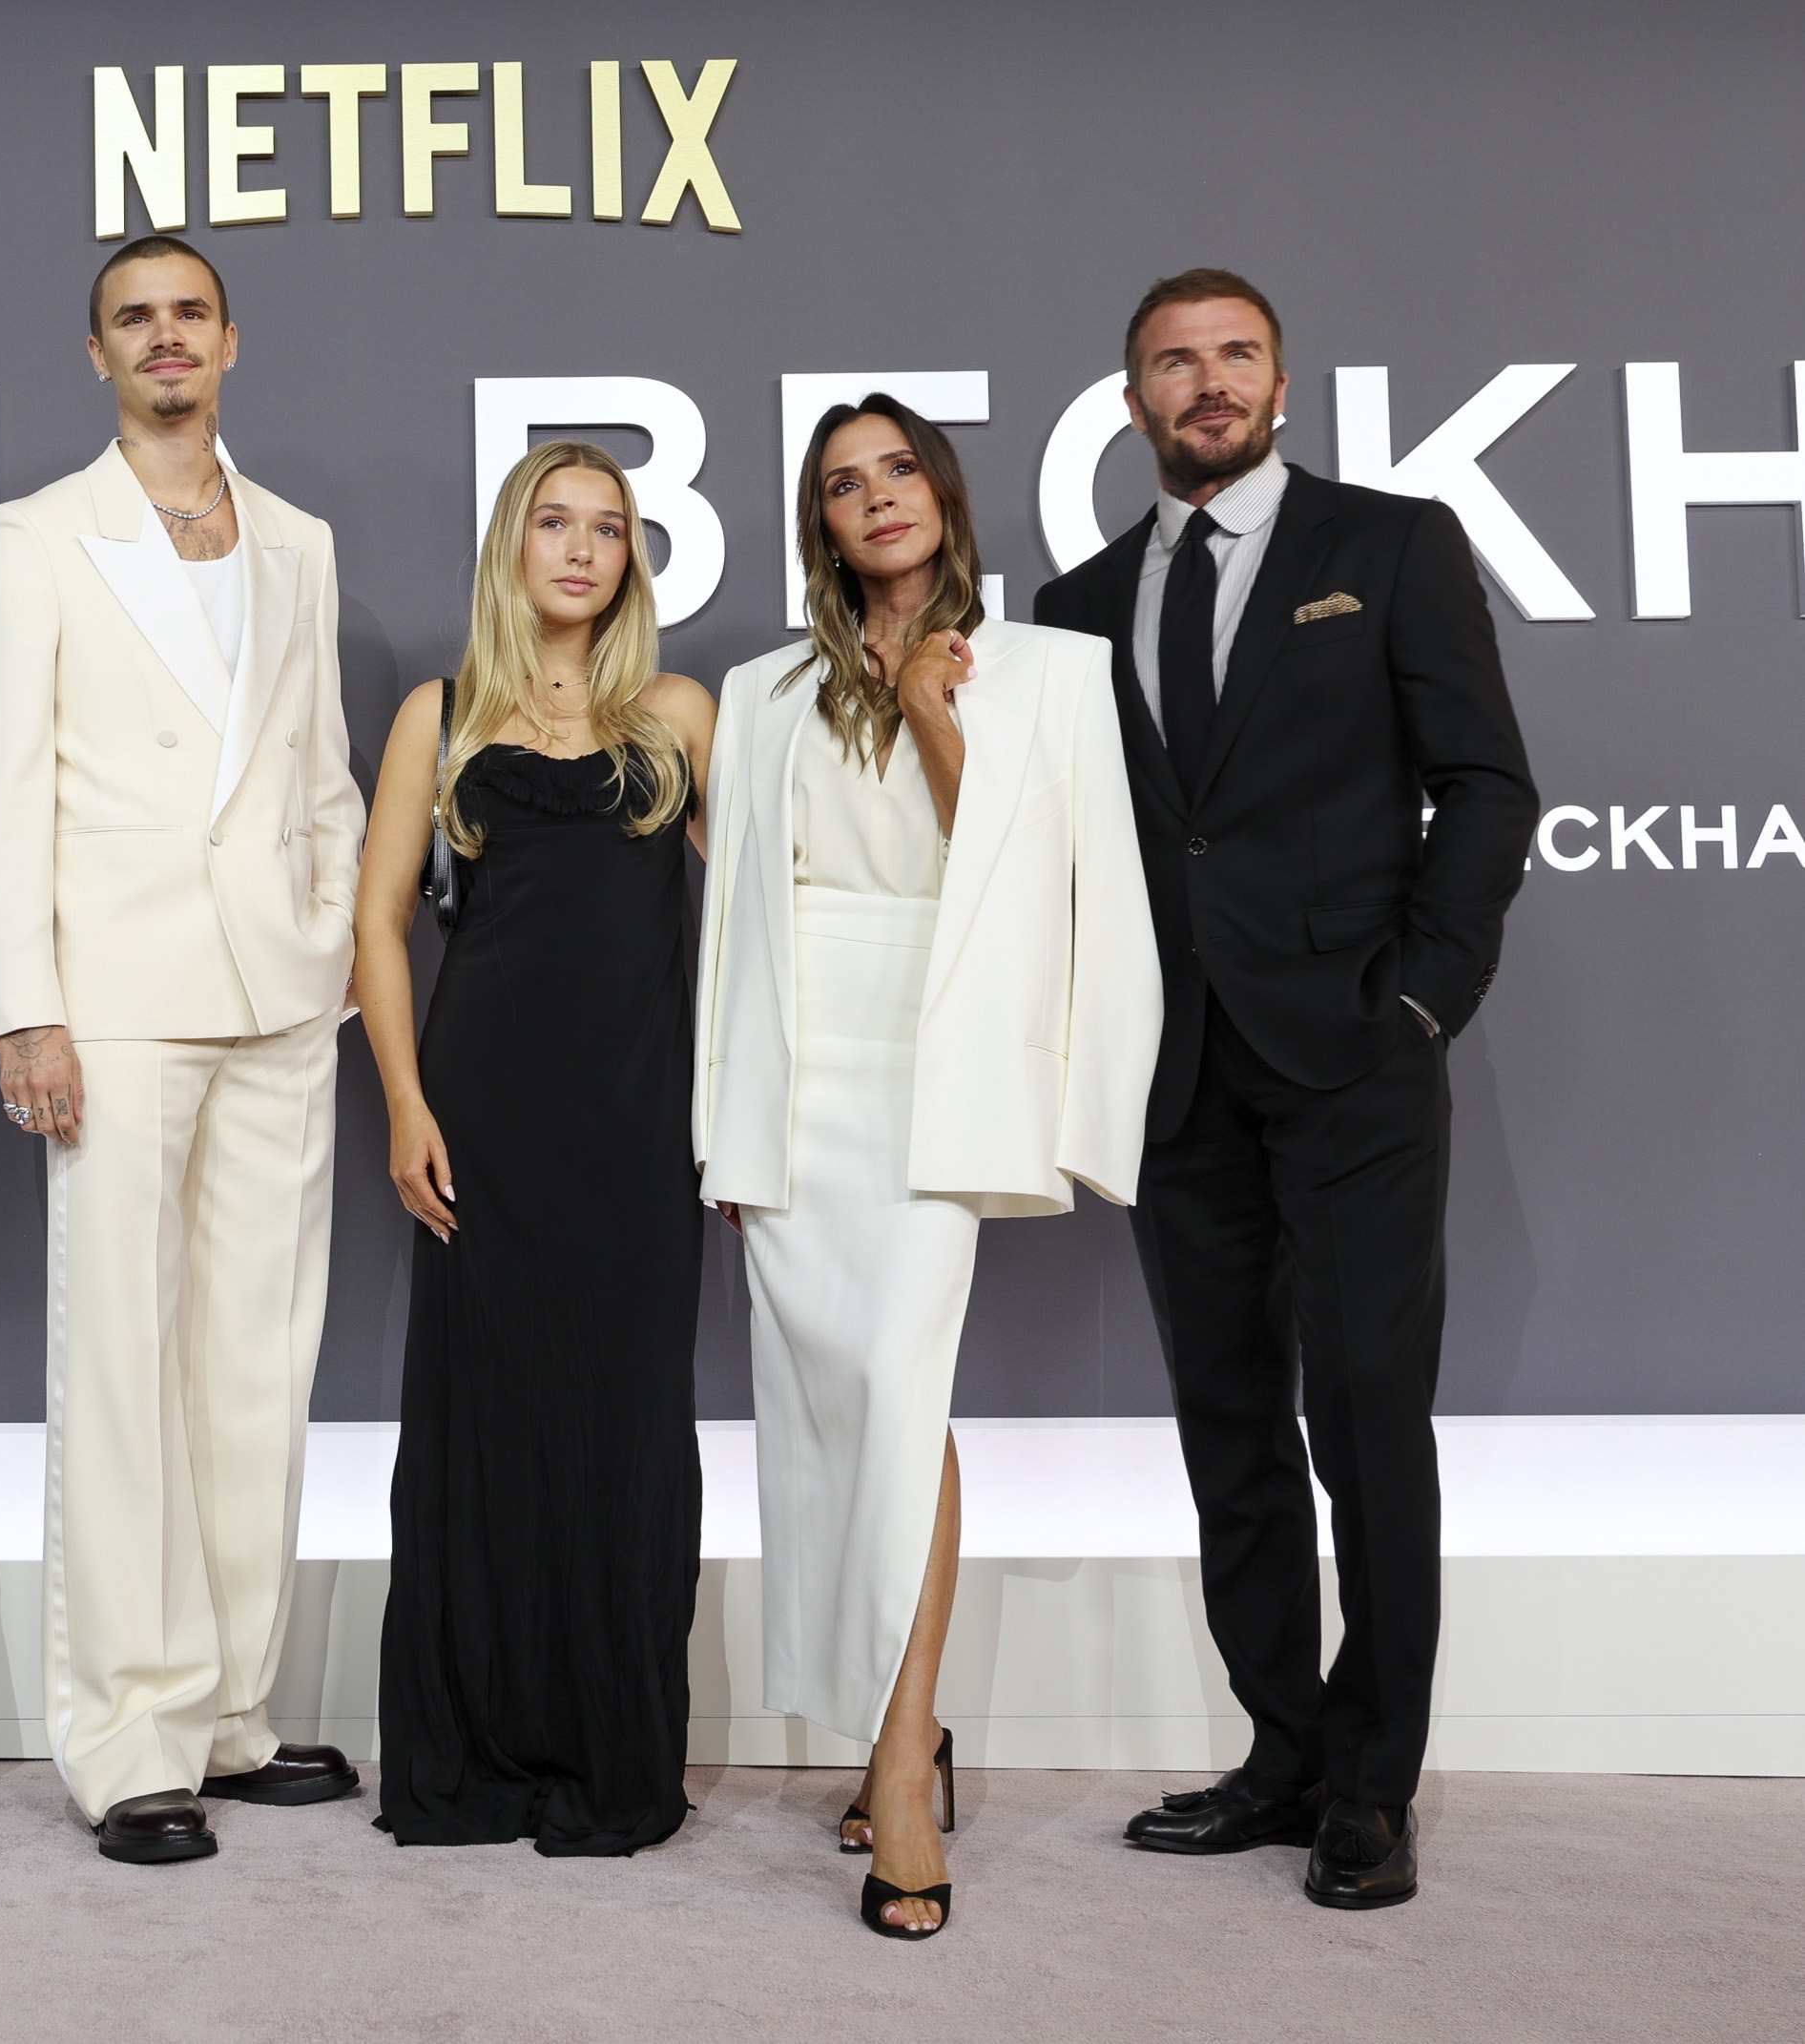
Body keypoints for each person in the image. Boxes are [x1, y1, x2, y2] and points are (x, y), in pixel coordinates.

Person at [1033, 271, 1535, 1909]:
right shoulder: (1079, 598)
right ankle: (1283, 1747)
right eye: (1173, 363)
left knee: (1368, 1427)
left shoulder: (1386, 547)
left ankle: (1375, 1783)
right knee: (1228, 1429)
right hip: (1178, 1080)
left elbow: (1485, 782)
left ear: (1283, 383)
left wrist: (1425, 996)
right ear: (1132, 405)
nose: (1207, 382)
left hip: (1357, 1063)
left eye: (1235, 355)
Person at [695, 396, 1161, 1936]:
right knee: (829, 1404)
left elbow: (1034, 881)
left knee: (900, 1388)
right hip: (796, 1068)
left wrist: (929, 701)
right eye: (843, 483)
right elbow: (736, 923)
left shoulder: (1051, 673)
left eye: (898, 469)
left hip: (933, 1055)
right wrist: (722, 1113)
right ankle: (909, 1724)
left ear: (945, 496)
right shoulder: (759, 692)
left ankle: (900, 1763)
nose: (876, 497)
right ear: (818, 522)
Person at [0, 235, 366, 1865]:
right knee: (121, 1364)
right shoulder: (37, 536)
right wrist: (24, 1002)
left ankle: (232, 1712)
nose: (166, 337)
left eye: (189, 312)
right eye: (136, 318)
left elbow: (322, 768)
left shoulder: (301, 543)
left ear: (231, 340)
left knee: (258, 1360)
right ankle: (129, 1735)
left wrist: (330, 940)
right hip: (113, 1002)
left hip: (282, 996)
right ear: (98, 355)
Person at [358, 443, 716, 1857]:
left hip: (638, 1127)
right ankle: (473, 1758)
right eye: (555, 523)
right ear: (512, 543)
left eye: (609, 528)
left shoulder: (681, 712)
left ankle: (610, 1753)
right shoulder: (437, 715)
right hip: (483, 1114)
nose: (581, 548)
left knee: (629, 1432)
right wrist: (402, 1100)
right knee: (482, 1426)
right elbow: (380, 922)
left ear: (633, 556)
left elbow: (757, 926)